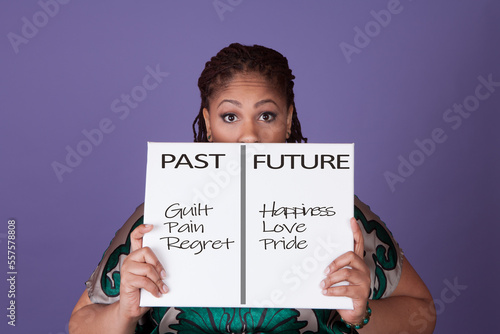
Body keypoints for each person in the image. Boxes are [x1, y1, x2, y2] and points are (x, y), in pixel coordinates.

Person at [69, 43, 436, 333]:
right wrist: (124, 311)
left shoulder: (335, 210)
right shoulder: (163, 212)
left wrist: (360, 315)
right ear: (208, 123)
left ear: (288, 121)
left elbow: (422, 314)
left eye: (266, 115)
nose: (249, 136)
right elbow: (79, 324)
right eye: (231, 117)